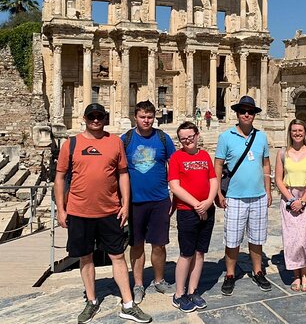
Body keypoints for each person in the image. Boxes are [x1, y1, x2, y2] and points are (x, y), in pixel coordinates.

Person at [54, 103, 152, 324]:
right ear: (85, 118)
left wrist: (125, 204)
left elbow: (123, 174)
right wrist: (61, 209)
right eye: (92, 116)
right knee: (85, 256)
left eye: (99, 116)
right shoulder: (71, 144)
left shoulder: (115, 142)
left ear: (105, 118)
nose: (96, 120)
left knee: (117, 255)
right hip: (79, 211)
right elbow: (59, 179)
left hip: (110, 210)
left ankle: (128, 303)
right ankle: (91, 300)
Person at [215, 95, 272, 295]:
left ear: (254, 115)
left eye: (250, 111)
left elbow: (266, 164)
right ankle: (230, 274)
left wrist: (268, 189)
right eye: (243, 111)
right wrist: (217, 192)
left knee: (257, 238)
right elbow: (219, 165)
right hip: (234, 196)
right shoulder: (226, 136)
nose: (246, 114)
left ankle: (257, 271)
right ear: (237, 114)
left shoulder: (262, 137)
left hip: (258, 195)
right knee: (232, 239)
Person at [121, 100, 177, 304]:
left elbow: (174, 165)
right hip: (135, 201)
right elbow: (119, 171)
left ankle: (159, 280)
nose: (146, 120)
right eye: (143, 117)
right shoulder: (126, 139)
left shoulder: (163, 138)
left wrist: (174, 194)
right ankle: (137, 284)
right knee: (136, 245)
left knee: (159, 244)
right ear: (135, 117)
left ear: (155, 117)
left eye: (150, 117)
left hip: (160, 199)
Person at [168, 121, 218, 312]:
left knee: (199, 252)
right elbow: (175, 186)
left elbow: (213, 179)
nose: (187, 141)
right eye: (183, 139)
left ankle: (192, 290)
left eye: (190, 137)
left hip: (207, 209)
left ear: (197, 135)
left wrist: (208, 201)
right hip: (188, 211)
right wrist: (197, 205)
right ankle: (179, 294)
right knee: (186, 253)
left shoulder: (205, 155)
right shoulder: (176, 157)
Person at [275, 119, 306, 292]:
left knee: (304, 238)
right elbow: (278, 179)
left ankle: (305, 273)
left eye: (300, 130)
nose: (297, 133)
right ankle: (296, 274)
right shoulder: (282, 153)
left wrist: (302, 200)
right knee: (292, 238)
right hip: (289, 197)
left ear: (305, 132)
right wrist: (290, 200)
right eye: (294, 130)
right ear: (290, 133)